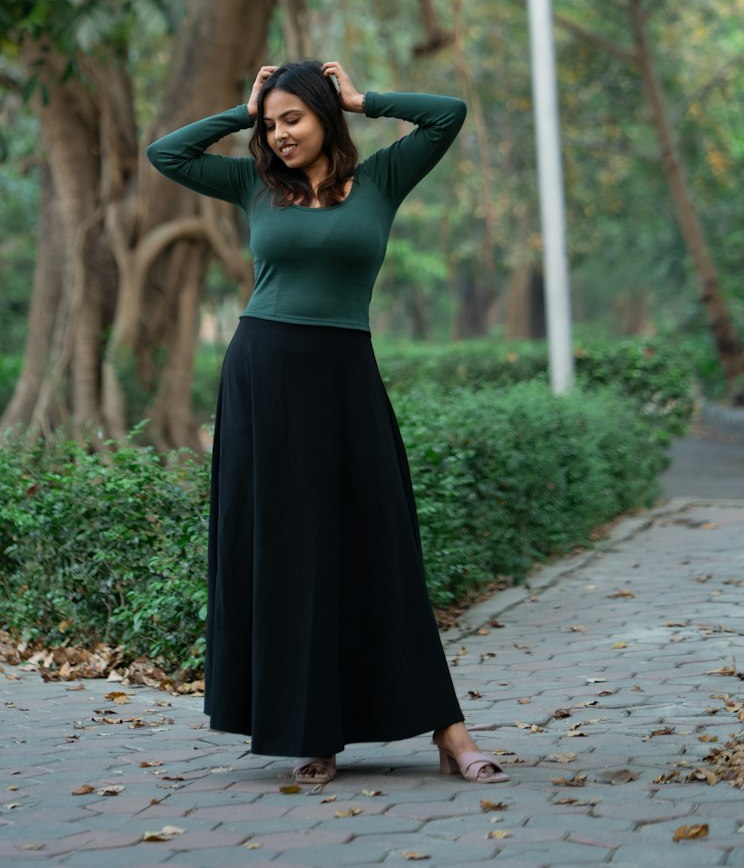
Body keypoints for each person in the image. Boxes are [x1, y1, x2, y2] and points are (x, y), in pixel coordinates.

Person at [146, 60, 508, 788]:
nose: (279, 135)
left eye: (293, 119)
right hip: (265, 377)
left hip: (345, 376)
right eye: (271, 124)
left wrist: (363, 98)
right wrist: (241, 108)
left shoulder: (380, 180)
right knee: (293, 555)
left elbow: (448, 113)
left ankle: (450, 730)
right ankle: (316, 731)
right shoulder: (252, 184)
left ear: (325, 117)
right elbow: (167, 155)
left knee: (382, 544)